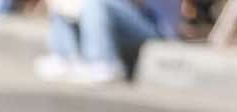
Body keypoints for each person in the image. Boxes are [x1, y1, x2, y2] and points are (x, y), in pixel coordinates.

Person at [36, 0, 180, 84]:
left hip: (155, 28)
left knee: (95, 2)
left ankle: (103, 62)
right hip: (126, 21)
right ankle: (65, 57)